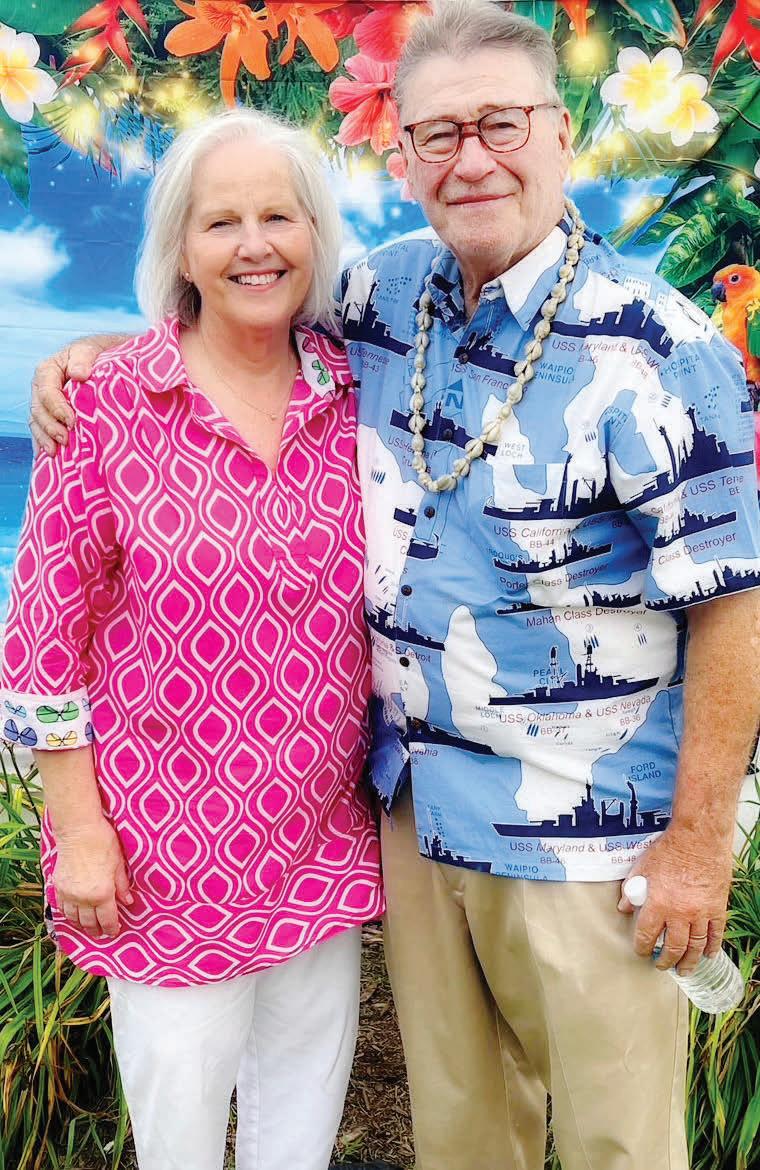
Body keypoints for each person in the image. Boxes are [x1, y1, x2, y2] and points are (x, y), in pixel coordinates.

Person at [26, 3, 760, 1169]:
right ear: (403, 153)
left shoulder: (658, 345)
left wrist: (698, 846)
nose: (471, 159)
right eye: (437, 134)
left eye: (501, 124)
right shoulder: (382, 298)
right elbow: (240, 317)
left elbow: (731, 604)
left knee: (619, 1148)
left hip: (586, 844)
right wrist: (100, 360)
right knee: (463, 1143)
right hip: (418, 828)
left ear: (560, 133)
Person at [2, 108, 384, 1170]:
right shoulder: (109, 404)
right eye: (221, 222)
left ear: (315, 234)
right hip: (161, 856)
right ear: (180, 248)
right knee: (178, 1140)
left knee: (296, 1136)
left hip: (317, 842)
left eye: (278, 216)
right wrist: (80, 832)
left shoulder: (355, 391)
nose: (254, 244)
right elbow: (42, 643)